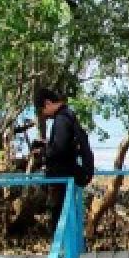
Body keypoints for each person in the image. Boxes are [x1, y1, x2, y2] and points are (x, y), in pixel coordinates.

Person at [37, 87, 82, 233]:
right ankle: (67, 251)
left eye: (42, 110)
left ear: (48, 103)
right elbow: (64, 145)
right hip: (67, 175)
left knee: (61, 218)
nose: (44, 114)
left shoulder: (62, 119)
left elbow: (60, 149)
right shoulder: (67, 115)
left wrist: (44, 151)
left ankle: (64, 253)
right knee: (66, 215)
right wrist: (48, 145)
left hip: (62, 178)